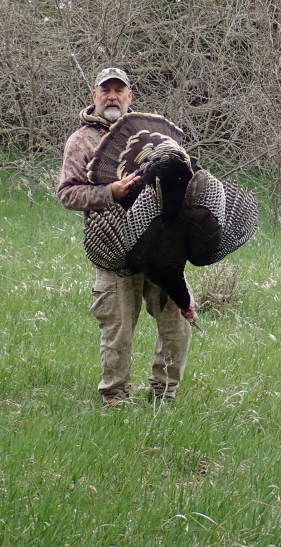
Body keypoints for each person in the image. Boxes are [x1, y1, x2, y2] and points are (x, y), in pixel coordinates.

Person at [57, 67, 192, 409]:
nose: (113, 96)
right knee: (118, 331)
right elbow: (68, 194)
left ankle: (164, 394)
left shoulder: (151, 134)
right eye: (106, 90)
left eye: (120, 90)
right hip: (112, 248)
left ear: (130, 97)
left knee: (178, 322)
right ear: (95, 96)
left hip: (158, 246)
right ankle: (115, 399)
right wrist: (109, 192)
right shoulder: (81, 140)